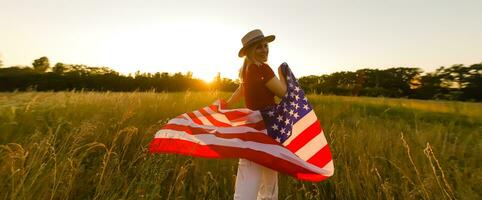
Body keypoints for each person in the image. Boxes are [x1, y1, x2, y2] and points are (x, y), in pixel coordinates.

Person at [226, 29, 287, 200]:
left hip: (253, 127)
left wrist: (228, 103)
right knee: (266, 175)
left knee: (251, 171)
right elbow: (283, 93)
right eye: (259, 47)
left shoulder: (248, 69)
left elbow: (241, 88)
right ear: (250, 51)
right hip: (266, 127)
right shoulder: (263, 70)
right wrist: (283, 76)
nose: (265, 50)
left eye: (266, 46)